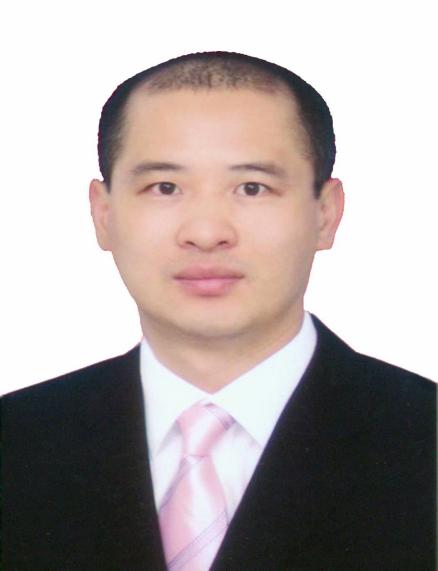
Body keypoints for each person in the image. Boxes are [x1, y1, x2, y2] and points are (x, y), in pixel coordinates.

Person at [2, 51, 436, 571]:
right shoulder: (16, 442)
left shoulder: (423, 437)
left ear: (326, 213)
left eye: (252, 188)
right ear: (103, 214)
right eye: (164, 188)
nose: (206, 233)